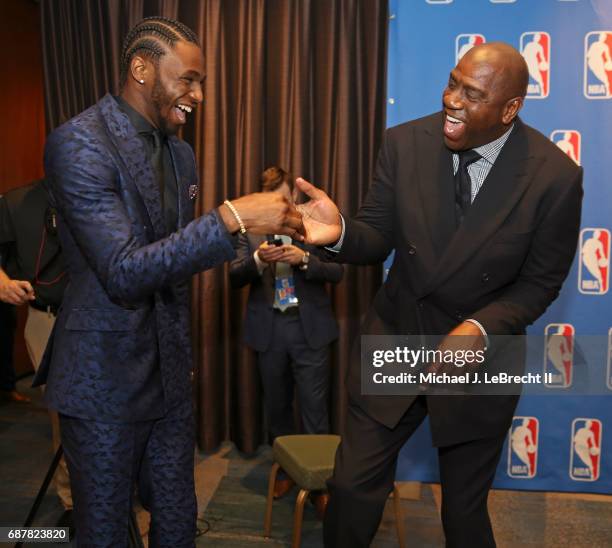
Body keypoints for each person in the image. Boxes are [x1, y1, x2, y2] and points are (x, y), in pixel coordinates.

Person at [295, 42, 583, 547]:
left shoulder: (554, 177)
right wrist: (339, 232)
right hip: (398, 337)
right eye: (453, 83)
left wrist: (478, 329)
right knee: (351, 490)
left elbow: (540, 283)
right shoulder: (404, 143)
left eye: (472, 95)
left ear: (509, 108)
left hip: (481, 359)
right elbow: (377, 235)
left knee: (464, 515)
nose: (452, 100)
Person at [36, 16, 303, 547]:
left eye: (200, 82)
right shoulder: (78, 143)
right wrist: (230, 219)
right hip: (102, 384)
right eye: (188, 79)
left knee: (178, 521)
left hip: (170, 383)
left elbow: (171, 264)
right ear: (141, 69)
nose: (198, 94)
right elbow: (124, 270)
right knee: (108, 531)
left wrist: (178, 353)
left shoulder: (182, 154)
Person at [229, 166, 343, 504]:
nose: (279, 204)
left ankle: (319, 483)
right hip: (270, 331)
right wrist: (258, 260)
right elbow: (233, 276)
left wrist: (305, 258)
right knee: (277, 409)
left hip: (309, 331)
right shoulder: (247, 229)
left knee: (314, 411)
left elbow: (338, 271)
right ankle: (286, 473)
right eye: (271, 198)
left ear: (293, 196)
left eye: (283, 197)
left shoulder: (313, 223)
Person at [0, 180, 73, 523]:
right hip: (46, 320)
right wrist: (1, 281)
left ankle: (114, 491)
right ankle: (74, 502)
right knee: (67, 417)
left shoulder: (106, 191)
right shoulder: (15, 202)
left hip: (102, 319)